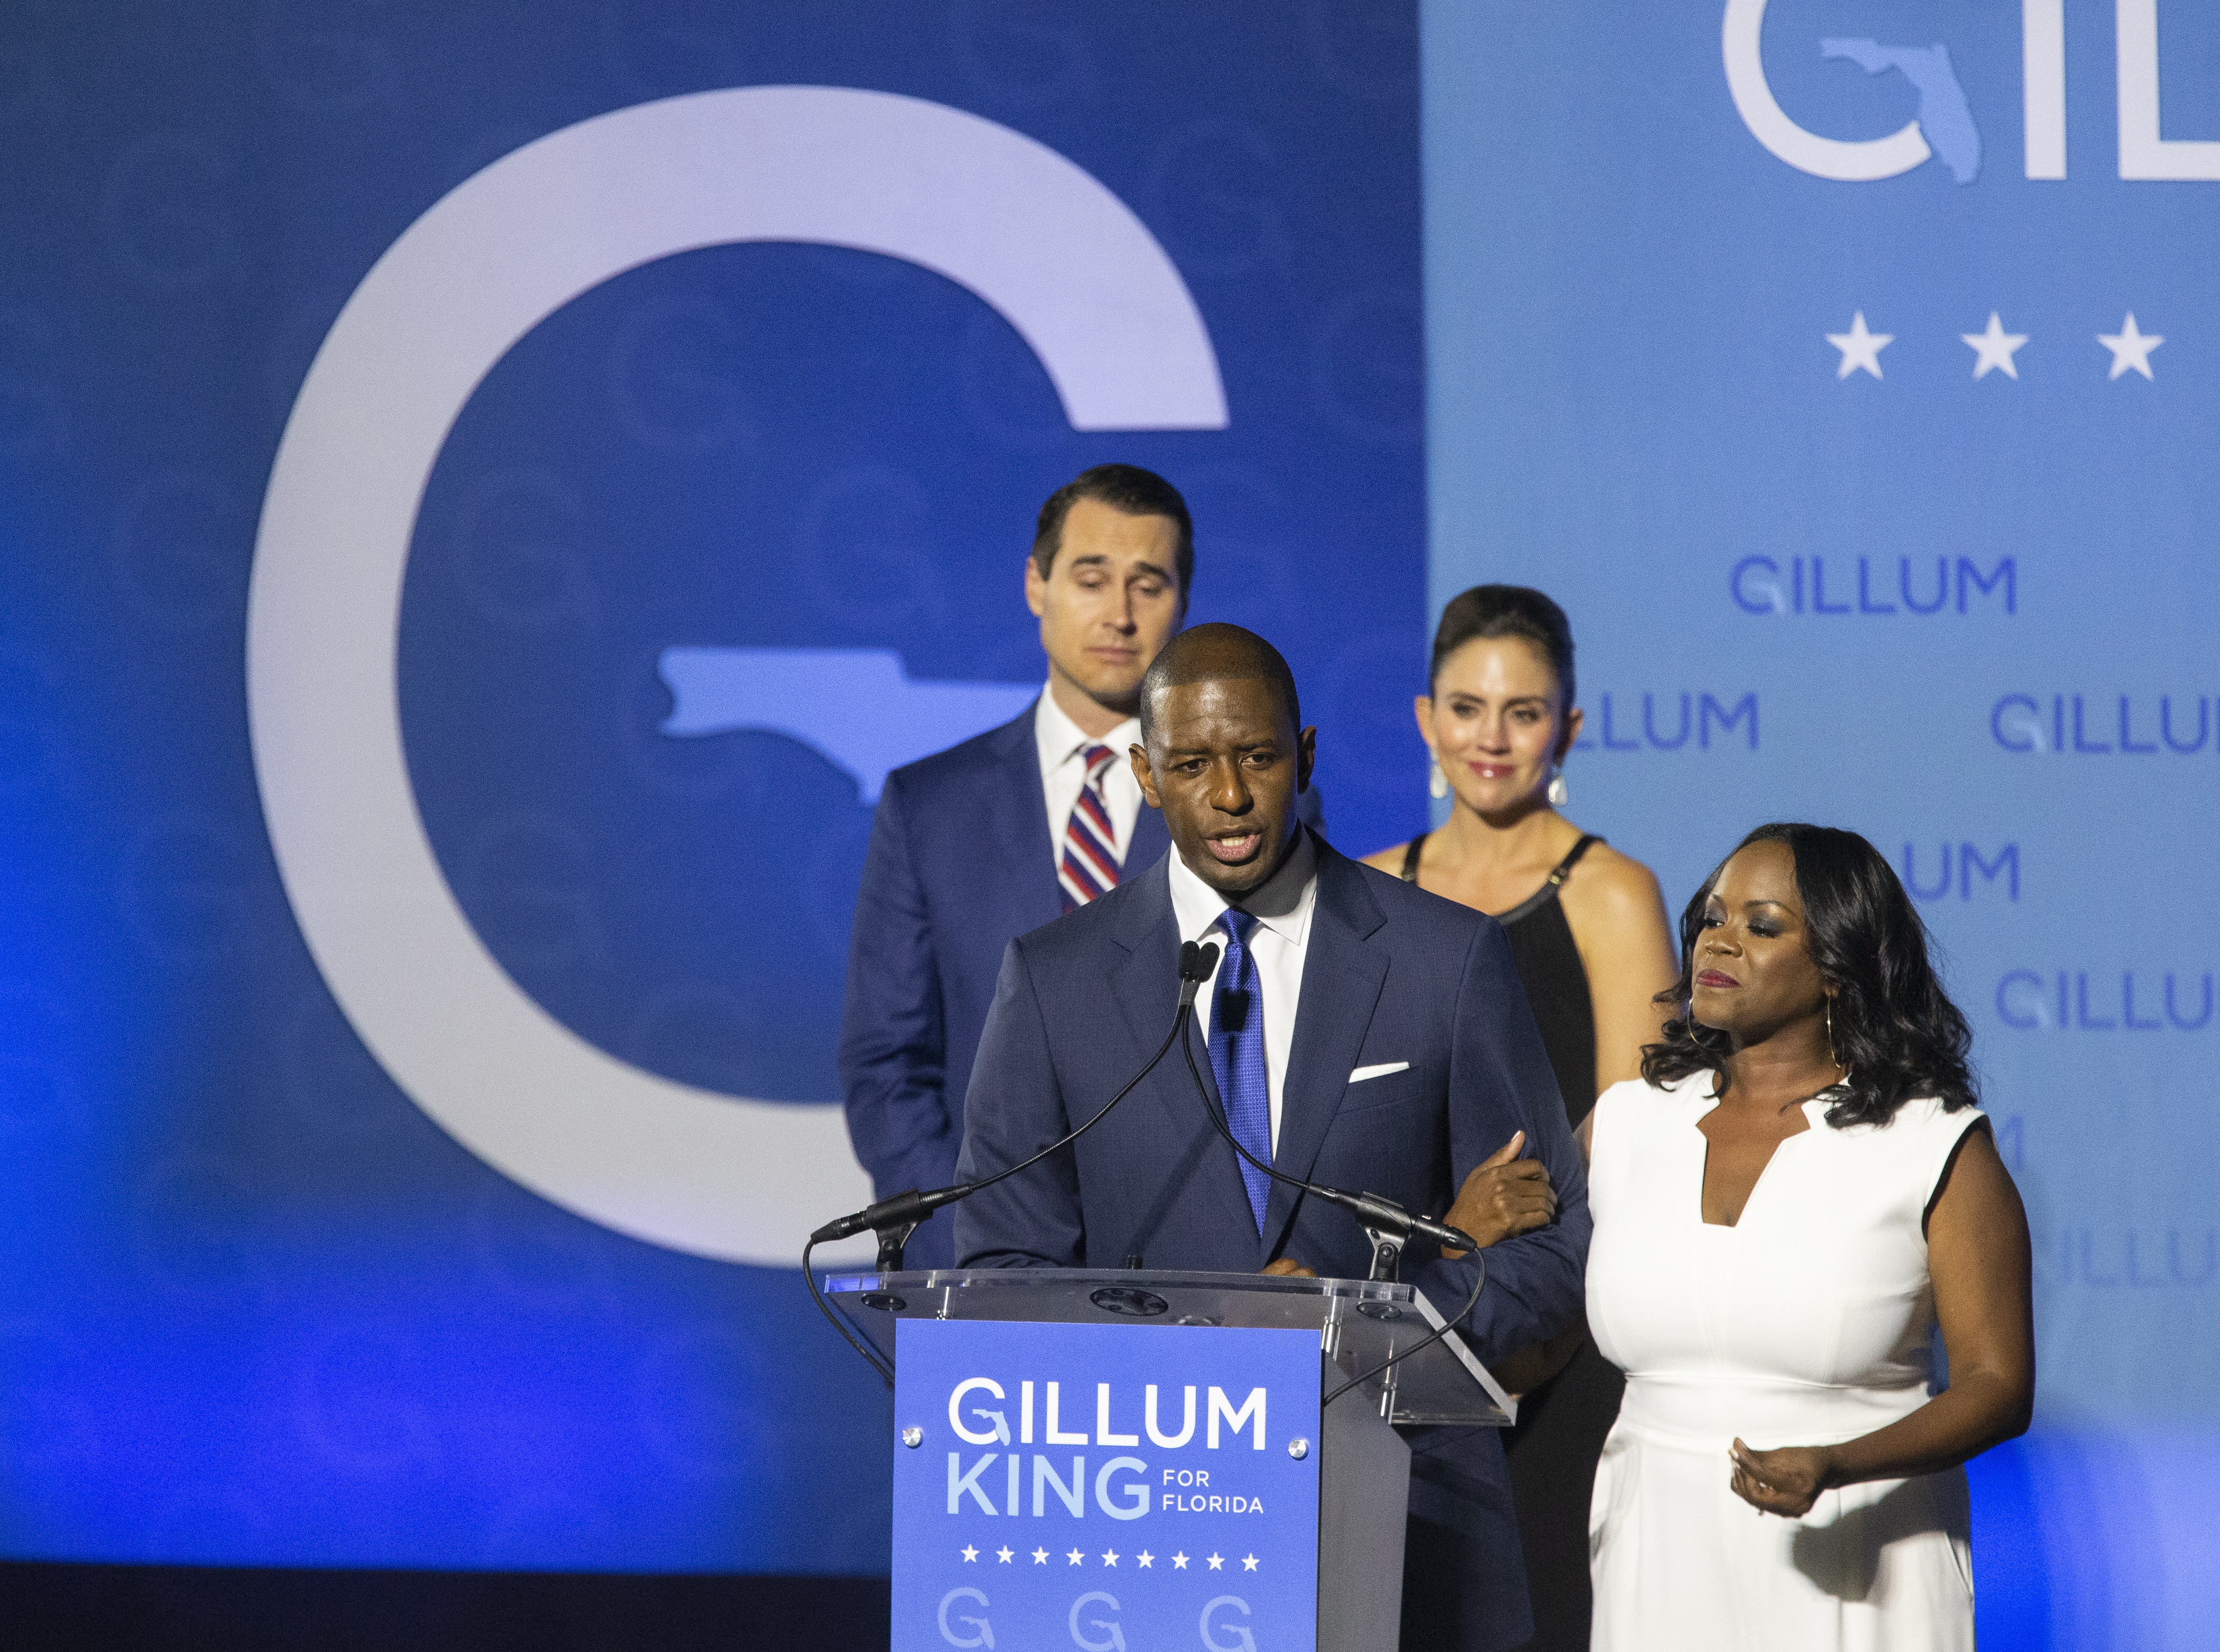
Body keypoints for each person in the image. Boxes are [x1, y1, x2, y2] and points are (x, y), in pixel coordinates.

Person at [954, 624, 1588, 1652]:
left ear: (1305, 752)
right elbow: (998, 1272)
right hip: (1145, 1534)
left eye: (1257, 758)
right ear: (1146, 776)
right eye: (1193, 765)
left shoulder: (1445, 959)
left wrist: (1351, 1332)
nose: (1232, 795)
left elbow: (1559, 1253)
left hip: (1411, 1524)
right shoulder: (1055, 981)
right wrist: (1218, 1354)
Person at [1583, 824, 2034, 1651]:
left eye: (1761, 925)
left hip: (1858, 1561)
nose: (1720, 940)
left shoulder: (1931, 1143)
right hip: (1656, 1558)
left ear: (1836, 967)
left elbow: (1998, 1384)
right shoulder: (1628, 1123)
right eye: (1713, 916)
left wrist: (1839, 1462)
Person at [1363, 584, 1677, 1652]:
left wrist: (1516, 1245)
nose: (1490, 739)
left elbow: (1633, 1127)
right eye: (1465, 708)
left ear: (1569, 728)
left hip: (1564, 1320)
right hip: (1393, 1316)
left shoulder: (1612, 892)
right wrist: (1440, 1238)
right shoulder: (1367, 888)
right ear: (1424, 718)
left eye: (1523, 712)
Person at [836, 464, 1187, 1269]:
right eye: (1091, 579)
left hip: (1192, 1283)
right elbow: (886, 1060)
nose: (1121, 615)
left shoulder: (1249, 806)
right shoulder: (930, 805)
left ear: (1183, 602)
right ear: (1037, 584)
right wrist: (973, 1245)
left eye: (1149, 584)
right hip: (979, 1274)